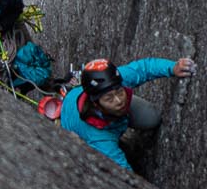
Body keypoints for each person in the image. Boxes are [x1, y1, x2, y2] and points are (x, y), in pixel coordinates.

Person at [59, 56, 196, 170]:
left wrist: (173, 68)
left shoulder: (112, 81)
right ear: (96, 103)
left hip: (114, 116)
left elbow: (144, 68)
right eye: (109, 98)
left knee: (152, 117)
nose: (119, 100)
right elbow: (122, 173)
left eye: (119, 92)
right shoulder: (98, 137)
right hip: (86, 127)